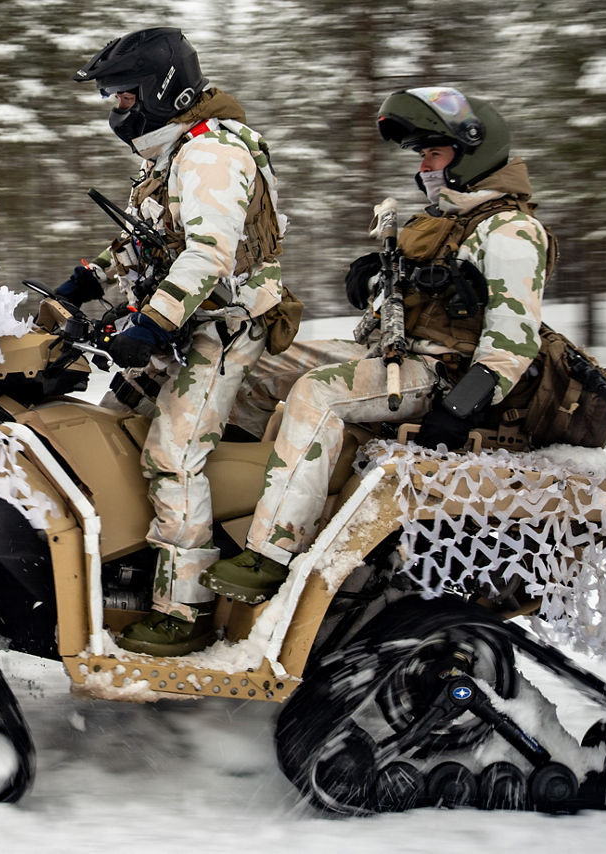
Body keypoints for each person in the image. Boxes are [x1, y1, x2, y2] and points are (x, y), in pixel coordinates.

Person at [201, 86, 551, 604]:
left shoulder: (511, 231)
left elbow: (512, 343)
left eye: (435, 152)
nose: (425, 166)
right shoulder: (446, 219)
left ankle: (272, 551)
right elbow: (412, 303)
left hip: (441, 373)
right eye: (422, 155)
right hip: (389, 354)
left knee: (317, 394)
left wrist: (457, 409)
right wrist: (376, 281)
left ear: (472, 150)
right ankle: (225, 507)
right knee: (257, 365)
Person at [62, 28, 290, 656]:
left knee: (172, 451)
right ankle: (124, 571)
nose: (117, 110)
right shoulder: (170, 154)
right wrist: (88, 279)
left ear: (160, 89)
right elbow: (149, 239)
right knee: (110, 432)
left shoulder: (211, 153)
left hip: (221, 329)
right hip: (183, 323)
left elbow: (209, 255)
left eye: (123, 96)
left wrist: (152, 324)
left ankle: (182, 609)